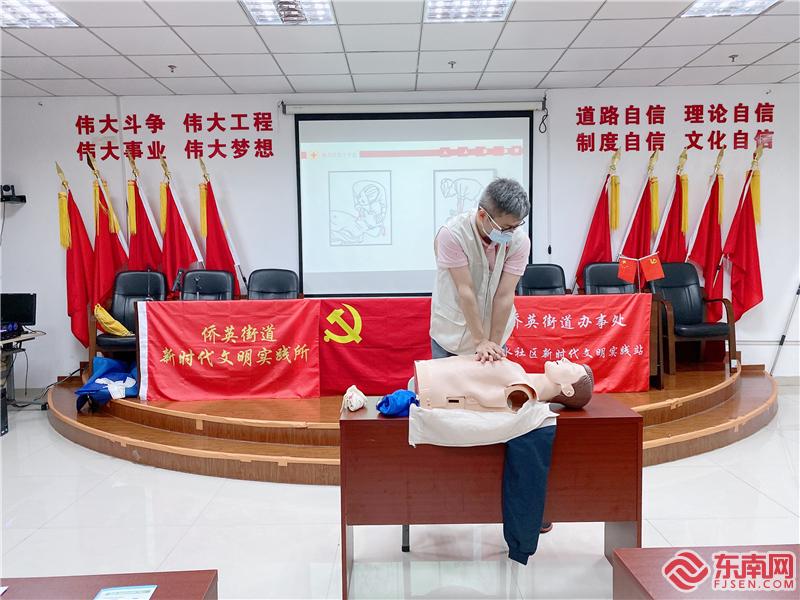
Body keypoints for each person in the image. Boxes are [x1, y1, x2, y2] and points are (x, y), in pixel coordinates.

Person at [430, 178, 530, 363]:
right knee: (448, 382)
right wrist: (480, 341)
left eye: (516, 226)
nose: (511, 233)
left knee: (492, 380)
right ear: (483, 215)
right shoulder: (452, 234)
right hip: (452, 335)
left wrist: (493, 345)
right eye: (505, 228)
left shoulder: (519, 241)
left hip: (495, 332)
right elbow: (465, 290)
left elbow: (504, 295)